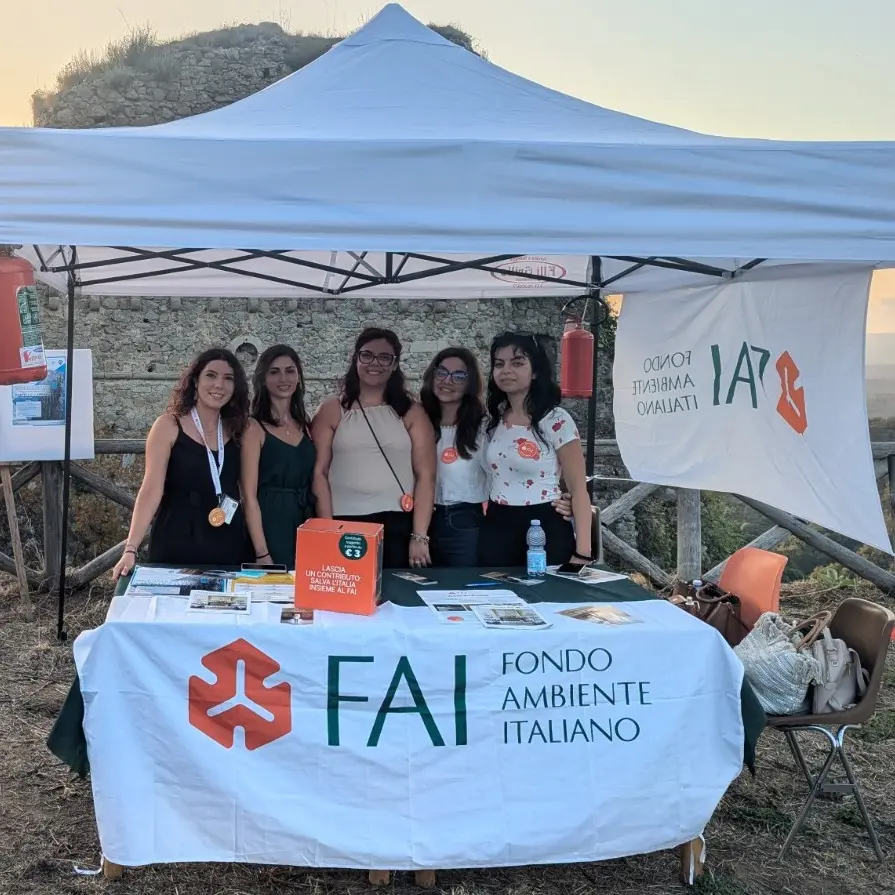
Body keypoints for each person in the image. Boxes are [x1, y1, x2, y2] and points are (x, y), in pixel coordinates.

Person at [113, 348, 250, 578]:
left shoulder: (238, 431)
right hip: (176, 541)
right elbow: (150, 489)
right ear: (195, 381)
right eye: (211, 375)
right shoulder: (168, 426)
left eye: (228, 378)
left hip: (227, 545)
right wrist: (131, 547)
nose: (219, 385)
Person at [312, 327, 436, 569]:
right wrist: (327, 528)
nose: (374, 363)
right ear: (355, 359)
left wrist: (419, 535)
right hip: (344, 521)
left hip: (398, 522)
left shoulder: (412, 412)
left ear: (395, 364)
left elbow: (426, 475)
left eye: (384, 357)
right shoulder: (331, 410)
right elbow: (319, 473)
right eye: (367, 355)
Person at [478, 332, 593, 567]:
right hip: (497, 527)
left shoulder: (555, 420)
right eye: (499, 364)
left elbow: (579, 490)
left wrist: (582, 553)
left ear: (536, 371)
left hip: (543, 528)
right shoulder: (493, 420)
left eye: (517, 363)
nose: (506, 370)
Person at [240, 345, 316, 568]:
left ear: (299, 377)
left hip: (304, 520)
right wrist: (262, 552)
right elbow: (248, 495)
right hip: (269, 522)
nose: (284, 378)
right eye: (274, 372)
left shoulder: (305, 425)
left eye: (290, 371)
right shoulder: (253, 428)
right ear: (263, 379)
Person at [419, 347, 488, 566]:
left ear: (470, 383)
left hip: (464, 522)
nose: (447, 381)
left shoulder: (484, 427)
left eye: (459, 376)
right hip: (420, 523)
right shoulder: (418, 422)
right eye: (442, 372)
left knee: (462, 589)